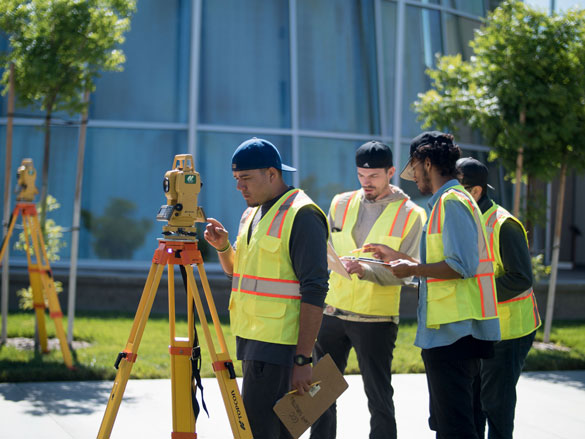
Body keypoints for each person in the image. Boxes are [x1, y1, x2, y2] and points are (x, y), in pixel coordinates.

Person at [364, 131, 501, 439]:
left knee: (455, 427)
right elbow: (446, 262)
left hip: (455, 334)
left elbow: (461, 265)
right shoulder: (446, 203)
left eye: (414, 170)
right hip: (450, 333)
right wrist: (401, 259)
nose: (414, 180)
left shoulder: (451, 202)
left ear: (426, 163)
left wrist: (413, 267)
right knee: (451, 423)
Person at [203, 137, 329, 439]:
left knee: (261, 433)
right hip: (254, 340)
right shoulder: (253, 213)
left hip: (282, 347)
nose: (239, 187)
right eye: (236, 179)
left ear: (272, 174)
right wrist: (223, 248)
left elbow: (315, 289)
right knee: (265, 431)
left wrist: (303, 360)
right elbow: (239, 271)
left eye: (245, 178)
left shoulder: (303, 215)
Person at [310, 141, 425, 439]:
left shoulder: (410, 214)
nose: (365, 182)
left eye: (373, 176)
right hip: (332, 312)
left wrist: (366, 270)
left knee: (379, 399)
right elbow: (327, 250)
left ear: (390, 172)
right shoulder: (340, 202)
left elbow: (406, 274)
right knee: (319, 396)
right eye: (361, 175)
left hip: (375, 319)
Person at [456, 157, 541, 439]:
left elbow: (520, 279)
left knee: (496, 405)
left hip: (509, 332)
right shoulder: (466, 221)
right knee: (473, 404)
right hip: (479, 329)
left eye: (456, 191)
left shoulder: (504, 225)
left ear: (476, 191)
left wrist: (473, 294)